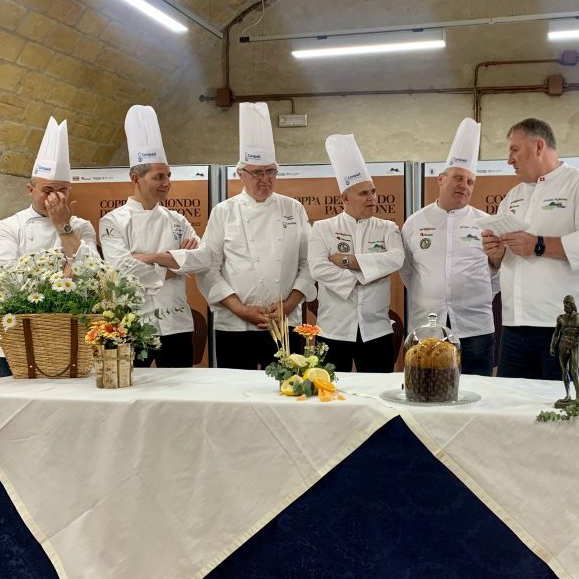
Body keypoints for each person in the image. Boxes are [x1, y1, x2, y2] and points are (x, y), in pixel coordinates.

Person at [148, 103, 315, 370]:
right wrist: (239, 308)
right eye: (257, 173)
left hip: (284, 321)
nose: (265, 180)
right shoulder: (224, 211)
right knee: (236, 397)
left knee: (288, 392)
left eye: (271, 171)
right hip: (235, 324)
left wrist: (290, 303)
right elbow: (209, 267)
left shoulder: (293, 208)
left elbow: (308, 263)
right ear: (240, 174)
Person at [481, 118, 579, 381]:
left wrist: (539, 244)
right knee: (513, 409)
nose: (509, 160)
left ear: (539, 146)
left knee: (562, 412)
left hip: (564, 328)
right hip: (514, 325)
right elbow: (504, 260)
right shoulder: (513, 196)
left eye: (514, 150)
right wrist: (496, 256)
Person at [0, 116, 98, 376]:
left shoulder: (81, 227)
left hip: (72, 334)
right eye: (47, 190)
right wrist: (63, 270)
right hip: (19, 335)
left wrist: (63, 225)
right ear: (30, 189)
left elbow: (92, 274)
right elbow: (8, 279)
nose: (55, 198)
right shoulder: (9, 226)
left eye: (63, 190)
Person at [97, 106, 200, 368]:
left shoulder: (177, 219)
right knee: (133, 393)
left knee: (180, 395)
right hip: (134, 325)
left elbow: (201, 259)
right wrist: (173, 264)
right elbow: (121, 268)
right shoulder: (112, 221)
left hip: (177, 323)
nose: (167, 182)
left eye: (168, 176)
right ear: (136, 178)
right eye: (159, 176)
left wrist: (151, 257)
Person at [400, 118, 498, 376]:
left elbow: (497, 272)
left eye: (469, 181)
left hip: (475, 326)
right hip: (426, 327)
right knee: (425, 390)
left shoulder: (485, 223)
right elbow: (408, 271)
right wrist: (431, 292)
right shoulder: (415, 223)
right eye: (457, 178)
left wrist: (478, 295)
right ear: (441, 180)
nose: (463, 186)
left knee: (478, 391)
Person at [308, 134, 404, 373]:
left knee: (376, 397)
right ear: (345, 197)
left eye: (373, 192)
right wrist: (368, 274)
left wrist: (348, 261)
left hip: (377, 330)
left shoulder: (387, 228)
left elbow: (396, 259)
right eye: (363, 193)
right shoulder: (323, 228)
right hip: (333, 329)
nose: (372, 198)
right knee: (328, 394)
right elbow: (318, 268)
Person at [550, 295, 579, 401]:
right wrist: (552, 346)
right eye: (564, 303)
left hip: (574, 345)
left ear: (573, 304)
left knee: (575, 371)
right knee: (564, 371)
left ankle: (577, 396)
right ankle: (568, 394)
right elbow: (556, 333)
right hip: (563, 344)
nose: (566, 305)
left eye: (568, 303)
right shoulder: (560, 318)